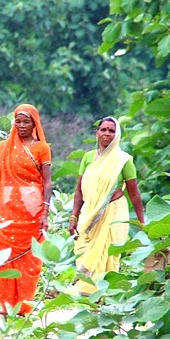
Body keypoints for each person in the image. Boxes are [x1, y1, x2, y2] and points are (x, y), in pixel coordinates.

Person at [68, 116, 145, 295]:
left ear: (117, 135)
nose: (107, 133)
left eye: (111, 131)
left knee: (109, 253)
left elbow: (134, 193)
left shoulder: (123, 160)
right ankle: (86, 291)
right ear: (97, 133)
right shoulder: (88, 157)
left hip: (113, 213)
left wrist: (142, 222)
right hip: (89, 214)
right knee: (83, 250)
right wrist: (74, 216)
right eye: (103, 130)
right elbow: (79, 190)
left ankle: (106, 295)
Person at [0, 104, 52, 316]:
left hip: (31, 211)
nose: (22, 125)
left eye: (26, 121)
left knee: (29, 259)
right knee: (3, 255)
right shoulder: (3, 147)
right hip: (6, 210)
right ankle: (4, 305)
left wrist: (45, 212)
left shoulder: (41, 148)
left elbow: (47, 182)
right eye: (18, 121)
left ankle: (23, 306)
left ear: (35, 123)